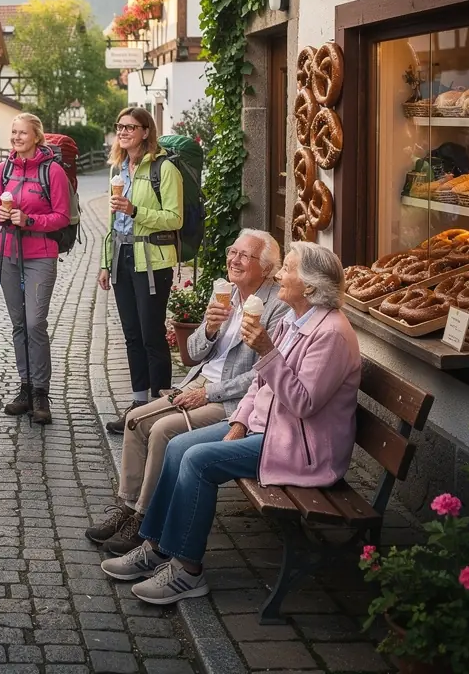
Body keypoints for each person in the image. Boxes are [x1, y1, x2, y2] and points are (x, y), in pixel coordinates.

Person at [101, 242, 361, 604]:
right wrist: (238, 422)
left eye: (288, 269)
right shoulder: (294, 319)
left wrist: (267, 351)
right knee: (177, 446)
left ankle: (187, 570)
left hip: (303, 448)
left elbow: (303, 404)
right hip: (266, 428)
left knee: (197, 460)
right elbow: (258, 384)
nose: (280, 275)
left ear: (311, 286)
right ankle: (156, 547)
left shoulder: (330, 333)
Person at [86, 230, 290, 554]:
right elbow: (192, 354)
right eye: (232, 251)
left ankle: (144, 519)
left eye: (244, 256)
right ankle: (128, 506)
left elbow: (262, 373)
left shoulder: (277, 306)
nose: (234, 260)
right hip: (199, 382)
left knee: (162, 430)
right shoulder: (227, 292)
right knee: (135, 420)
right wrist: (209, 328)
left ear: (265, 268)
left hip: (233, 398)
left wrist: (210, 393)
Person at [99, 107, 183, 424]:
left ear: (146, 132)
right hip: (122, 257)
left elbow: (175, 218)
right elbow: (112, 223)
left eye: (130, 127)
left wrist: (135, 210)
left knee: (152, 335)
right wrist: (105, 263)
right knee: (132, 335)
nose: (123, 132)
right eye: (120, 126)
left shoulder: (164, 169)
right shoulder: (118, 169)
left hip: (152, 260)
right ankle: (137, 404)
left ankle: (159, 409)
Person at [0, 112, 71, 424]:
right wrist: (0, 216)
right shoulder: (4, 169)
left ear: (36, 136)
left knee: (35, 323)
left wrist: (29, 220)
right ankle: (25, 388)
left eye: (23, 133)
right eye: (14, 132)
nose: (17, 138)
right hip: (7, 252)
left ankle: (40, 392)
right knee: (19, 324)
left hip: (40, 254)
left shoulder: (53, 171)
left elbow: (62, 216)